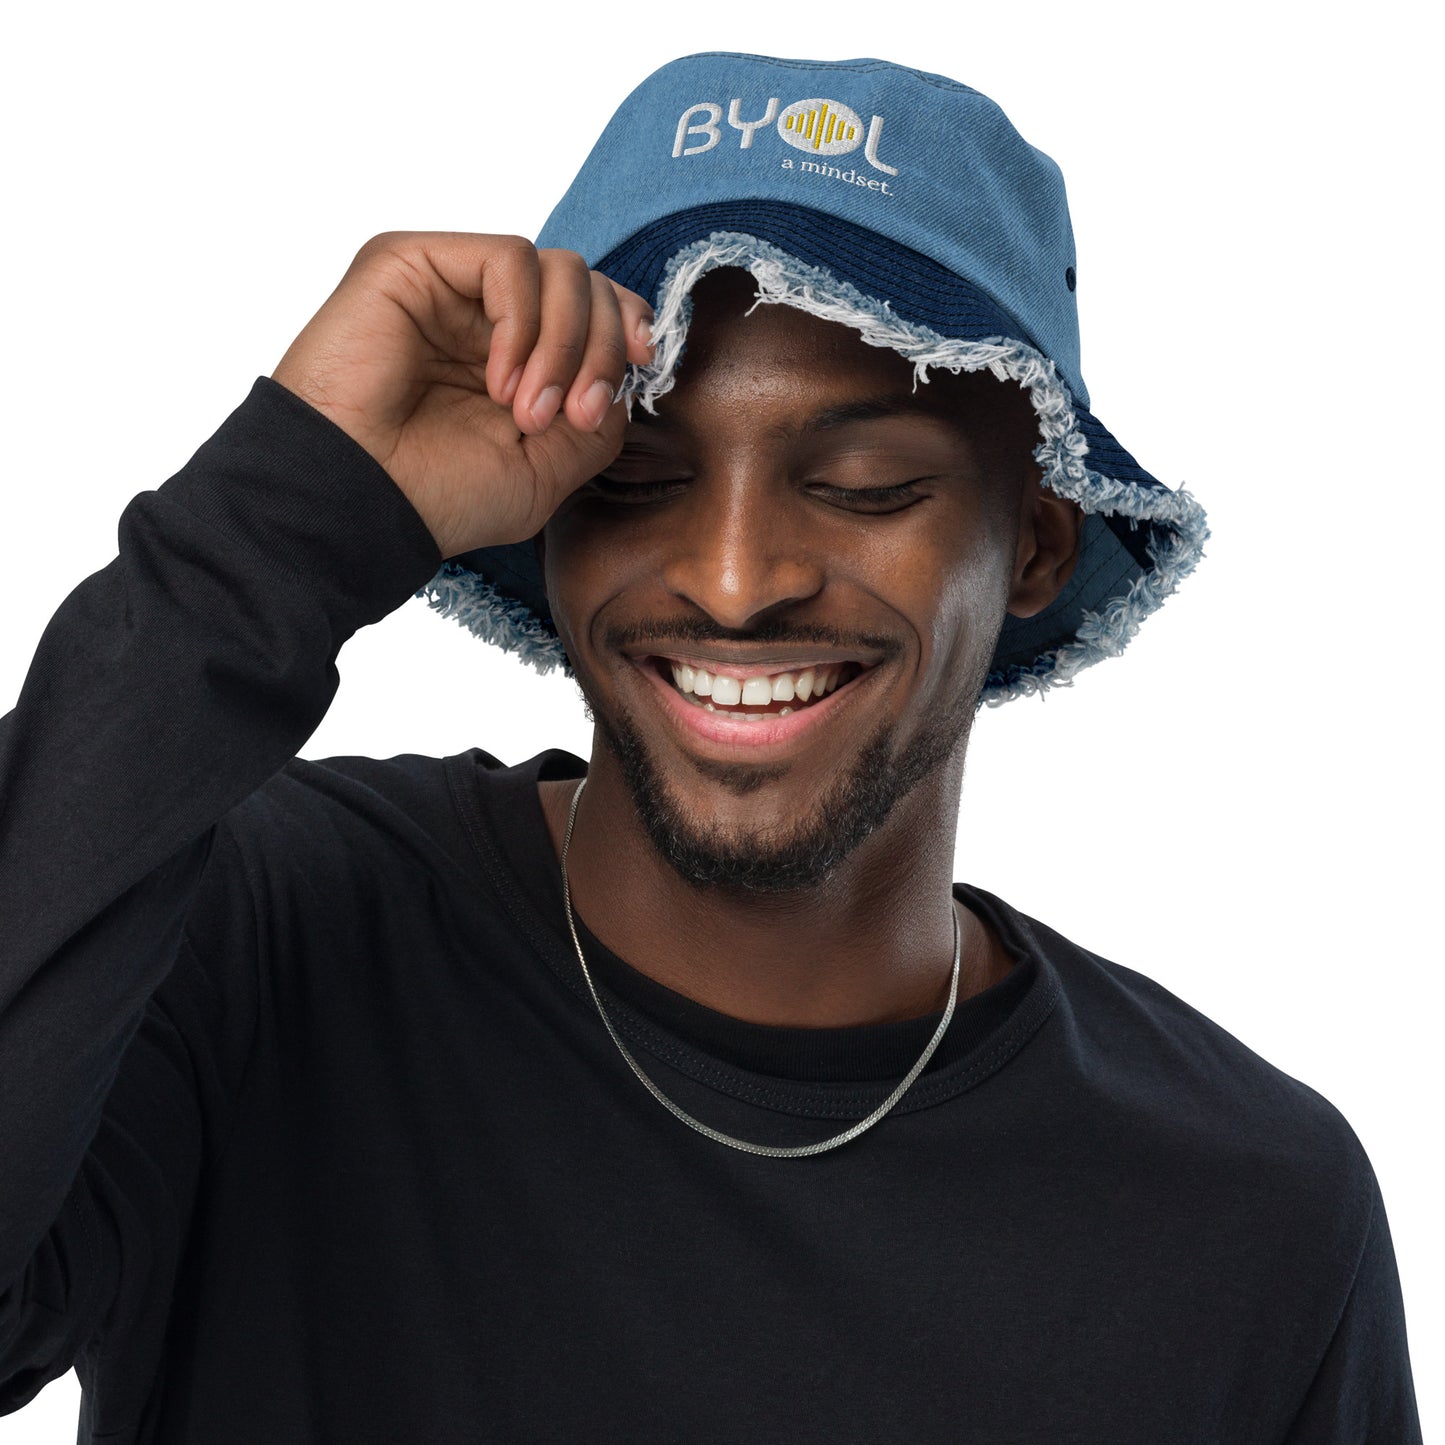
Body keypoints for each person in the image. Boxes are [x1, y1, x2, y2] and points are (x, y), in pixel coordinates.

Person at [0, 49, 1419, 1443]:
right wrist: (279, 517)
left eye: (862, 484)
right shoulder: (252, 938)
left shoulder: (1247, 1215)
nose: (735, 579)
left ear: (1037, 541)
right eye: (636, 478)